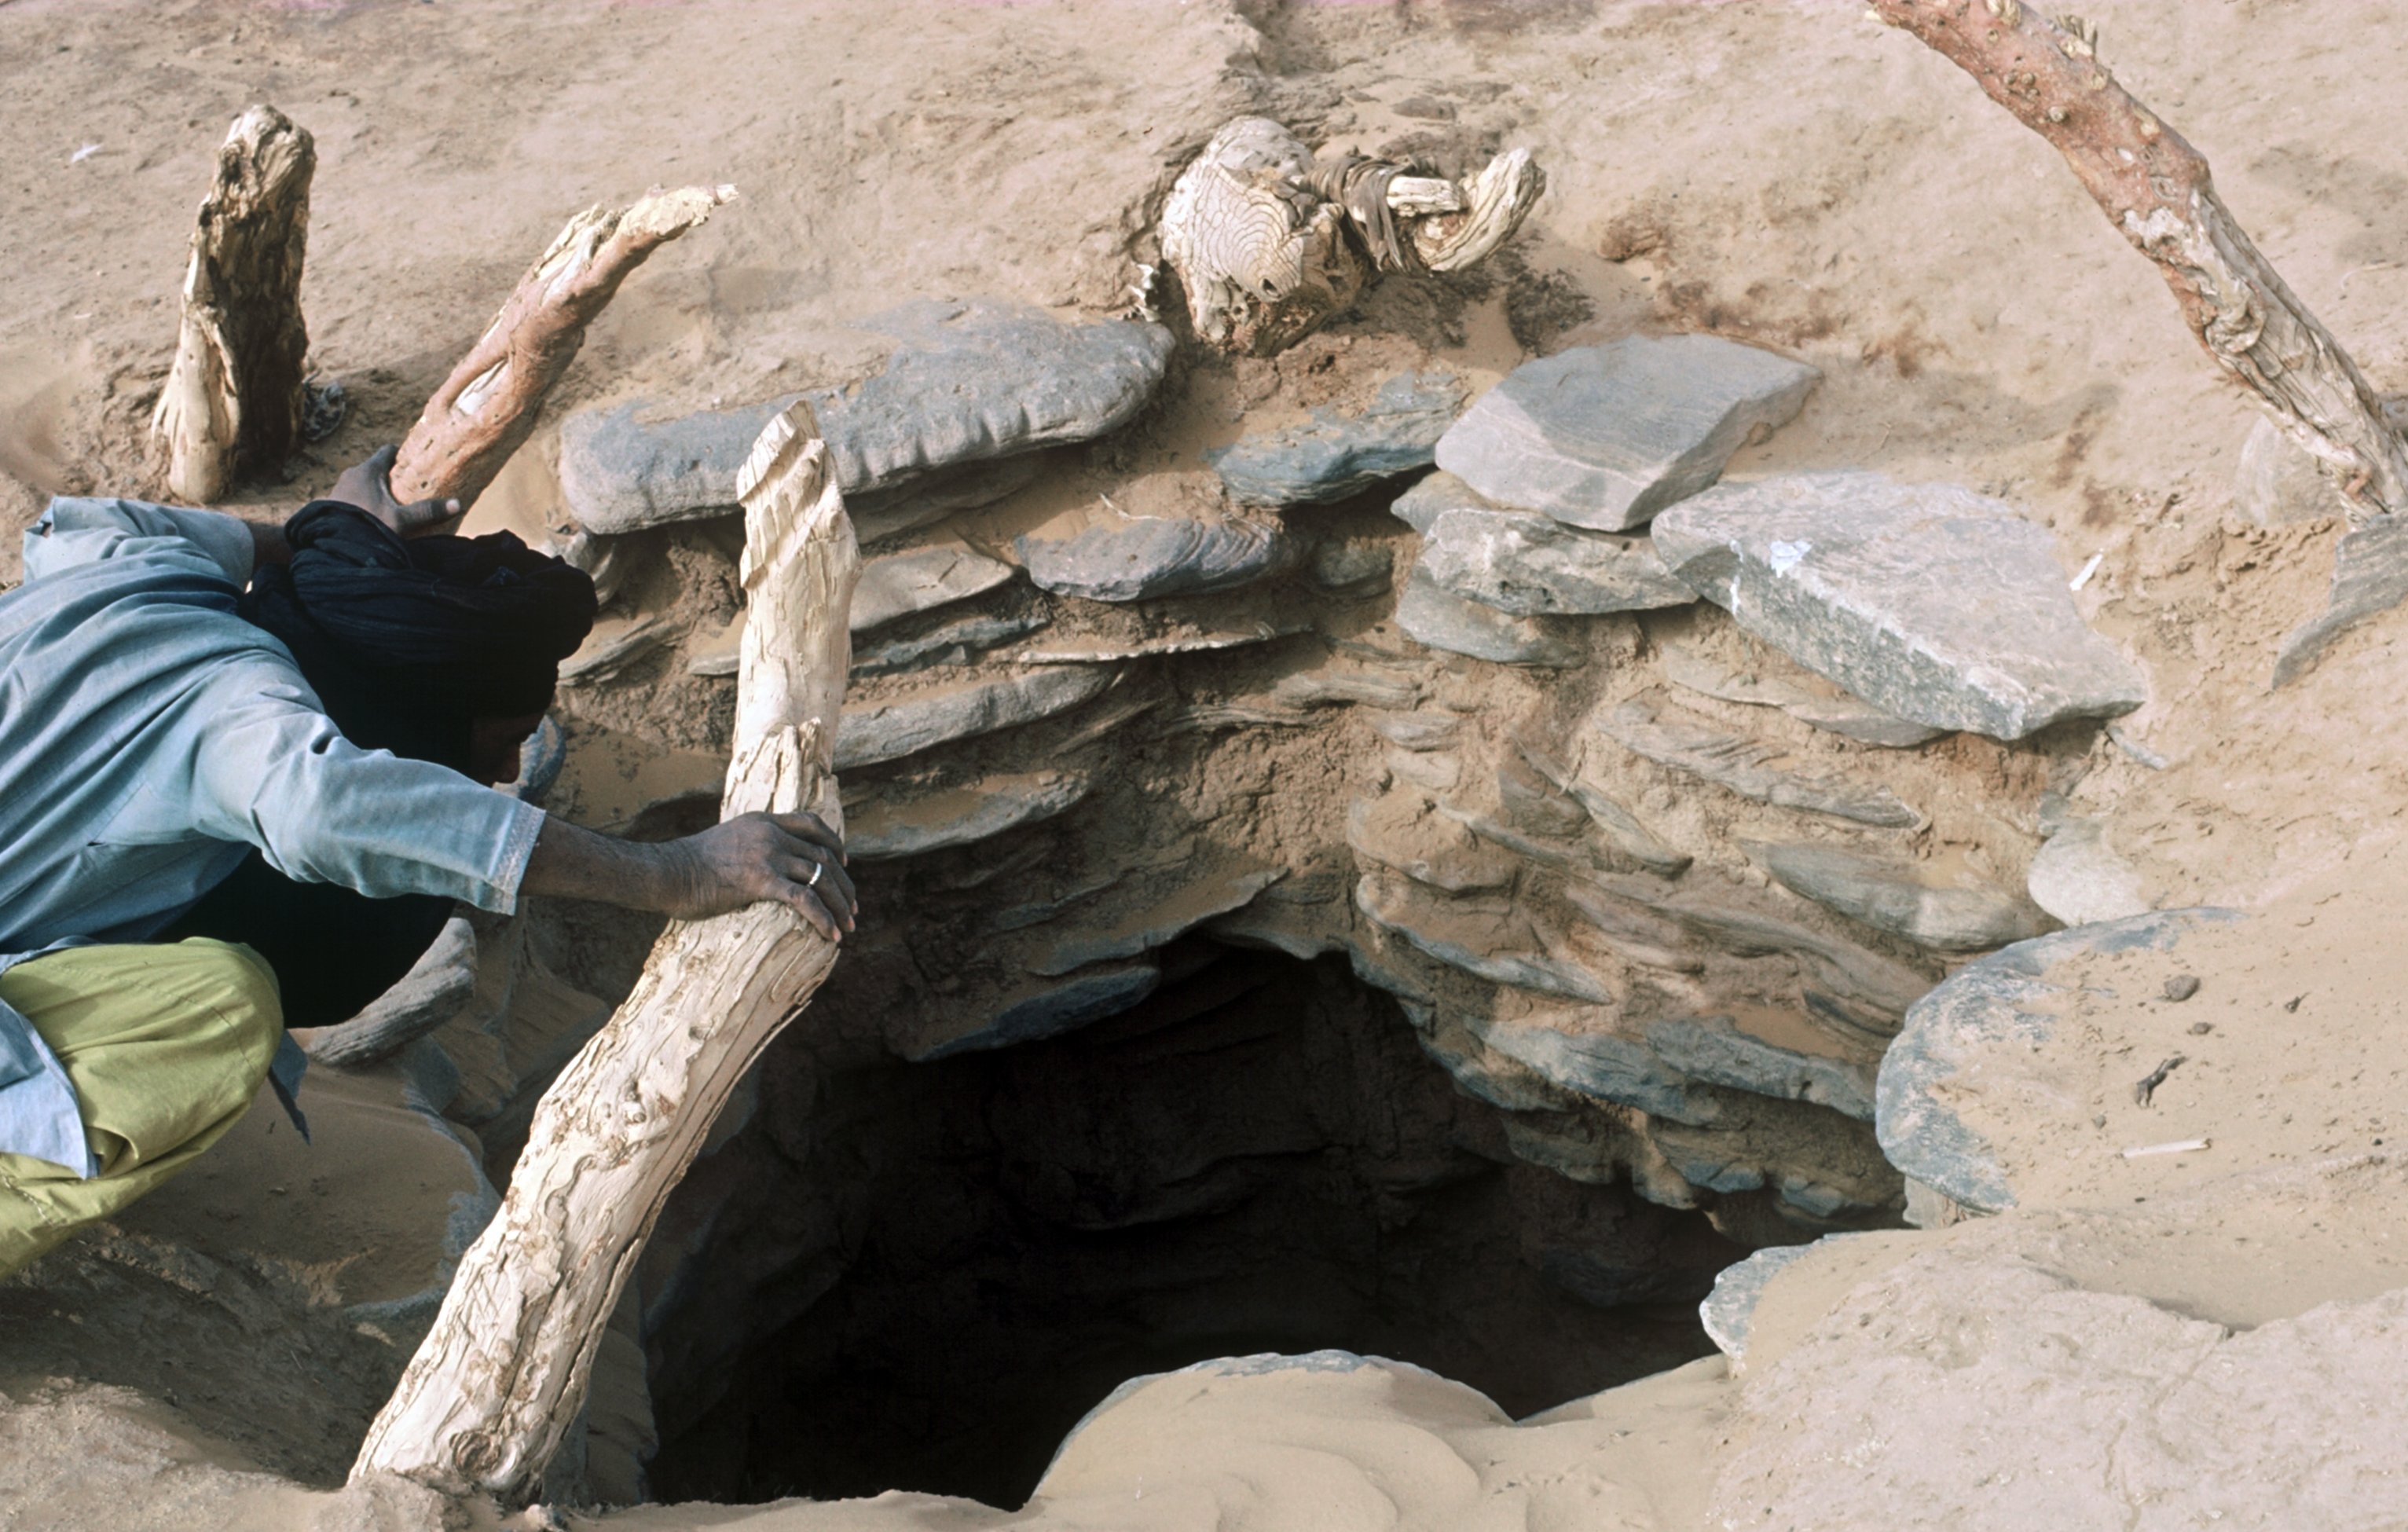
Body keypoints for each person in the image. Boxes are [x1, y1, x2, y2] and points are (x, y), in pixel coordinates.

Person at [0, 447, 856, 1279]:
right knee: (220, 1012)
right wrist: (676, 876)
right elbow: (328, 806)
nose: (509, 774)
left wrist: (328, 536)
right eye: (503, 741)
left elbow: (75, 524)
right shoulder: (239, 715)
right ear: (427, 710)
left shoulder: (136, 570)